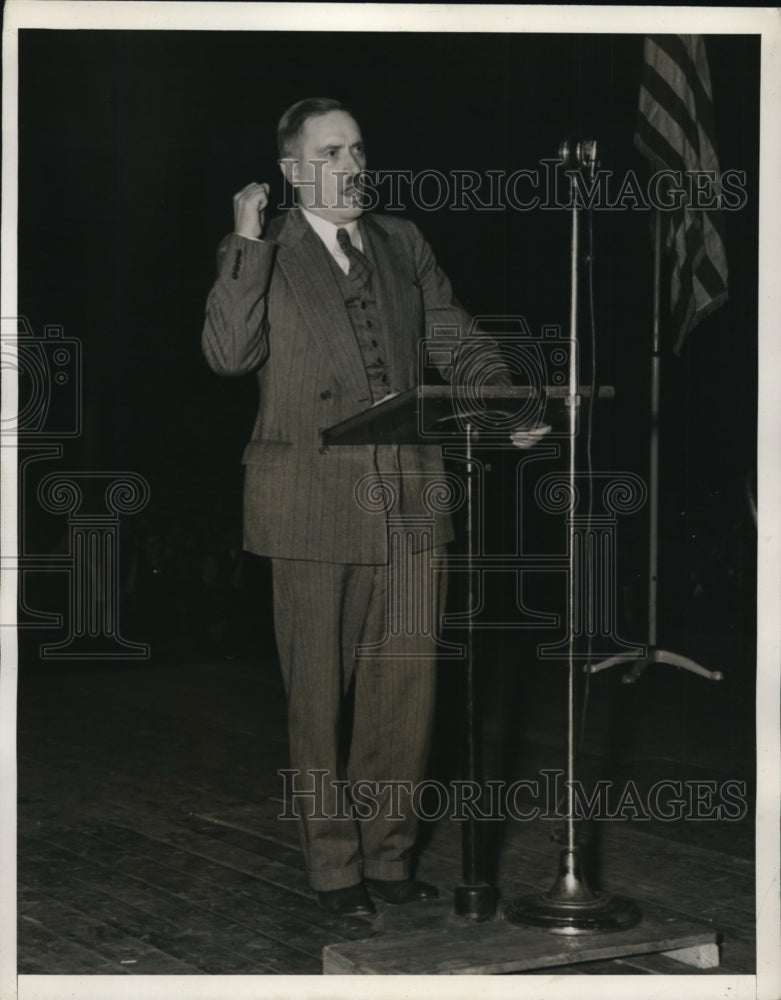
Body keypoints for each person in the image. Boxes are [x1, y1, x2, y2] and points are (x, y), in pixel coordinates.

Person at [202, 97, 546, 917]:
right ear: (292, 172)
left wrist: (508, 403)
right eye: (331, 152)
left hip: (413, 498)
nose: (353, 166)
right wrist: (246, 242)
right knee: (317, 699)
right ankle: (333, 869)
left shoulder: (401, 242)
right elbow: (226, 354)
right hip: (308, 504)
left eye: (358, 149)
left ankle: (389, 856)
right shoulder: (262, 251)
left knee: (405, 692)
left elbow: (454, 338)